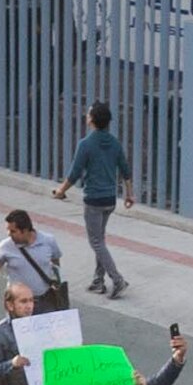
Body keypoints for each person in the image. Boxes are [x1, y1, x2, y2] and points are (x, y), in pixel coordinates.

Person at [60, 97, 134, 295]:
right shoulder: (115, 143)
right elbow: (126, 170)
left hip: (93, 200)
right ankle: (98, 280)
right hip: (110, 200)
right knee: (100, 239)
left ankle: (117, 279)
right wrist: (130, 194)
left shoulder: (86, 144)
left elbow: (74, 173)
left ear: (91, 119)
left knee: (96, 242)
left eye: (88, 113)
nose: (86, 115)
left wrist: (61, 191)